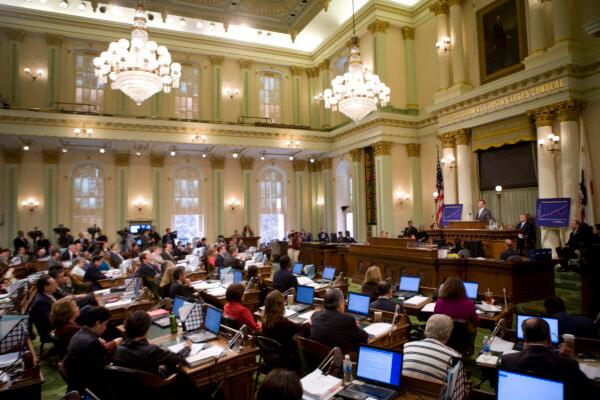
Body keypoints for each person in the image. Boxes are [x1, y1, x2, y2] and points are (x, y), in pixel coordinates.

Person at [500, 317, 593, 399]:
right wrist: (570, 359)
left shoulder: (507, 360)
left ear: (525, 339)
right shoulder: (568, 364)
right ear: (549, 337)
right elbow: (588, 390)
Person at [63, 306, 121, 398]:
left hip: (77, 382)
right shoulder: (92, 343)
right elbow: (104, 369)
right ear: (98, 323)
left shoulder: (79, 334)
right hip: (90, 389)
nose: (105, 328)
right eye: (105, 324)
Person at [114, 310, 190, 377]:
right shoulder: (152, 350)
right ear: (146, 329)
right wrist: (187, 347)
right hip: (155, 383)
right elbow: (177, 358)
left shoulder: (120, 349)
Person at [403, 314, 462, 382]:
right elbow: (457, 386)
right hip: (434, 392)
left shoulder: (407, 346)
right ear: (449, 334)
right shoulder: (455, 357)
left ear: (426, 329)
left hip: (406, 389)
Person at [310, 288, 368, 353]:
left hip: (320, 357)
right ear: (340, 303)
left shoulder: (315, 315)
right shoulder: (348, 320)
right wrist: (357, 326)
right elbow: (364, 337)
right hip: (340, 359)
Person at [261, 290, 310, 369]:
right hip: (284, 355)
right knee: (303, 335)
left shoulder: (264, 319)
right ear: (280, 305)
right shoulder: (283, 322)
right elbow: (300, 328)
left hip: (269, 355)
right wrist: (309, 321)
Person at [29, 274, 58, 342]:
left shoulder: (48, 294)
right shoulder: (40, 301)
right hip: (50, 333)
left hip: (57, 326)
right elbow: (49, 321)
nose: (56, 284)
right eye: (53, 283)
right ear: (45, 287)